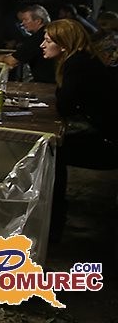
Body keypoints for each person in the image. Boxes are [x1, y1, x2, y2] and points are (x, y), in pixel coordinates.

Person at [41, 19, 118, 238]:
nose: (42, 45)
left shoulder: (76, 64)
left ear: (64, 44)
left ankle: (54, 222)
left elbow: (64, 105)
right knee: (54, 149)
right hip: (105, 132)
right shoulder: (82, 59)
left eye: (48, 41)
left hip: (109, 143)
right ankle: (53, 217)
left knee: (52, 151)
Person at [0, 4, 55, 83]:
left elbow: (12, 60)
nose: (23, 23)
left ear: (38, 21)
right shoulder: (47, 32)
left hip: (48, 83)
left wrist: (1, 58)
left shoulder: (38, 37)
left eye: (25, 20)